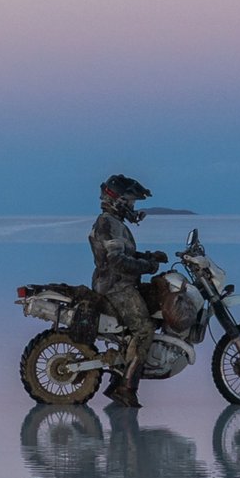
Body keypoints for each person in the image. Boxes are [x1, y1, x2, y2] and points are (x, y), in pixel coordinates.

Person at [89, 172, 167, 407]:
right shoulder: (107, 223)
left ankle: (120, 374)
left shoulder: (115, 223)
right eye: (131, 202)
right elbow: (116, 261)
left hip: (120, 283)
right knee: (144, 328)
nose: (133, 207)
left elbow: (125, 255)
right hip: (115, 287)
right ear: (119, 200)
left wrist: (149, 256)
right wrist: (147, 266)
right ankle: (126, 387)